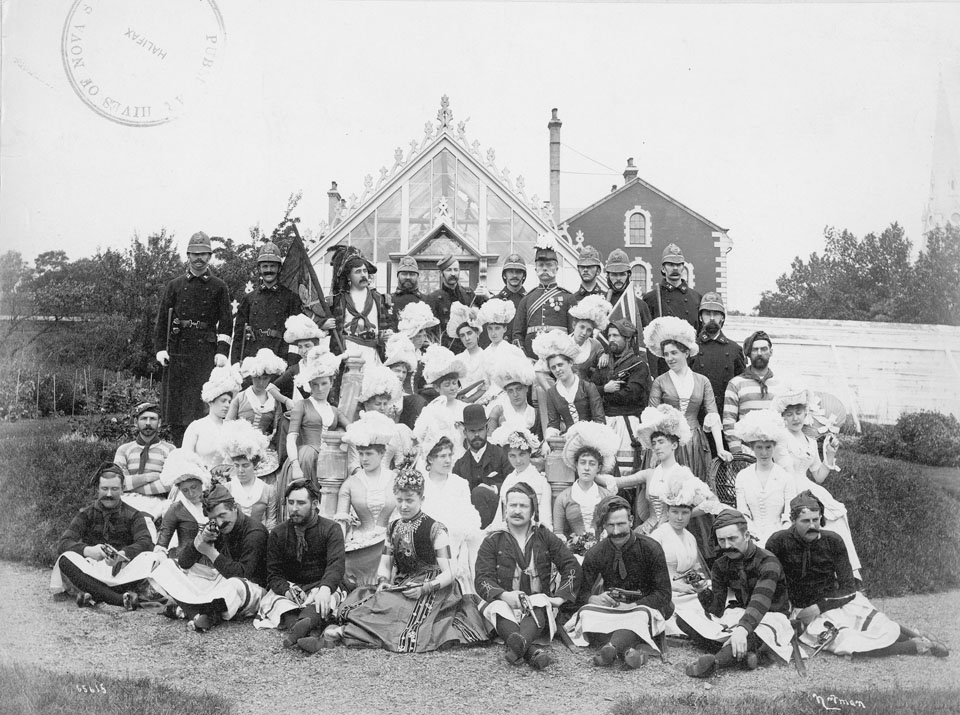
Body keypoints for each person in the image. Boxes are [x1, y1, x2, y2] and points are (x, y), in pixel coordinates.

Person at [767, 492, 949, 659]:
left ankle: (917, 636)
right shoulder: (778, 542)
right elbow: (772, 583)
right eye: (805, 521)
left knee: (878, 623)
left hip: (835, 601)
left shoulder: (833, 540)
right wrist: (787, 614)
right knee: (848, 641)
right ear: (793, 520)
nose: (813, 526)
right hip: (802, 610)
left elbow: (848, 588)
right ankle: (913, 646)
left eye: (816, 519)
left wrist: (819, 607)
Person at [337, 461, 490, 652]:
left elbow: (450, 572)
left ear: (422, 499)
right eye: (399, 500)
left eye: (409, 500)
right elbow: (386, 561)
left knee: (397, 608)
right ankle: (351, 629)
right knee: (366, 598)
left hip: (435, 587)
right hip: (404, 582)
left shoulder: (436, 529)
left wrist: (425, 588)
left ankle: (349, 632)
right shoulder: (393, 527)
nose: (403, 506)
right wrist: (384, 580)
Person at [476, 483, 581, 670]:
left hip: (536, 607)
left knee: (539, 601)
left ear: (533, 509)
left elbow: (571, 565)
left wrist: (559, 598)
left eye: (523, 506)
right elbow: (482, 578)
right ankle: (531, 651)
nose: (517, 511)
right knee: (497, 607)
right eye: (512, 505)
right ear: (505, 508)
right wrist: (504, 595)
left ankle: (520, 644)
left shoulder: (544, 536)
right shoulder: (493, 539)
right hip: (507, 604)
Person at [566, 495, 673, 668]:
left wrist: (632, 606)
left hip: (645, 606)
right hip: (612, 608)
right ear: (604, 526)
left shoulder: (651, 548)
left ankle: (611, 648)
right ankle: (630, 651)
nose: (616, 531)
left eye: (621, 524)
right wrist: (592, 599)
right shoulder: (596, 553)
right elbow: (580, 591)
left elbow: (664, 594)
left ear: (631, 520)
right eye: (610, 525)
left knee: (638, 618)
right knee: (586, 614)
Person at [684, 509, 793, 677]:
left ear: (747, 535)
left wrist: (742, 630)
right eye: (722, 540)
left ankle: (715, 662)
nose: (727, 545)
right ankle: (747, 656)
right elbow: (717, 608)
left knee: (756, 632)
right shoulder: (720, 565)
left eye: (732, 538)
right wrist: (702, 591)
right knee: (685, 619)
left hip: (772, 615)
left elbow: (760, 601)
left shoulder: (767, 561)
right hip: (742, 612)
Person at [147, 483, 268, 632]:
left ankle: (197, 612)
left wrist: (210, 552)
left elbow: (243, 574)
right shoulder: (215, 525)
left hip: (251, 588)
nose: (219, 522)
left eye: (222, 515)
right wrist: (199, 541)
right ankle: (199, 612)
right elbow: (185, 563)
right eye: (213, 518)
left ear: (234, 507)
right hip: (221, 581)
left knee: (234, 585)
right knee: (168, 566)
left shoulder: (254, 532)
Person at [773, 386, 862, 579]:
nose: (795, 418)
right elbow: (785, 473)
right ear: (784, 417)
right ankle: (821, 575)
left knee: (836, 517)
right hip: (787, 487)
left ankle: (847, 574)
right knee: (815, 518)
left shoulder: (811, 441)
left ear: (806, 413)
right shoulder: (781, 439)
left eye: (799, 413)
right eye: (790, 414)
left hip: (807, 485)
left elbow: (818, 476)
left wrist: (829, 454)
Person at [154, 231, 233, 445]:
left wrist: (221, 351)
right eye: (195, 254)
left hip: (204, 353)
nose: (199, 258)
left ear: (210, 257)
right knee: (177, 408)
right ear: (188, 256)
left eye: (204, 254)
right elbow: (162, 320)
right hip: (178, 350)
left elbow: (226, 322)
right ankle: (180, 448)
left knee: (201, 403)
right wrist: (161, 349)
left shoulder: (219, 286)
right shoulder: (175, 285)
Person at [254, 481, 346, 653]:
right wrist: (288, 590)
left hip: (321, 584)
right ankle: (310, 631)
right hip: (293, 588)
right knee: (279, 602)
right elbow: (273, 574)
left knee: (327, 600)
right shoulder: (278, 533)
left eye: (301, 503)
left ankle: (300, 628)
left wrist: (324, 589)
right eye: (291, 502)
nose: (294, 508)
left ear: (315, 504)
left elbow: (336, 566)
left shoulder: (331, 529)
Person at [51, 463, 158, 610]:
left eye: (114, 489)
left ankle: (93, 594)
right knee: (65, 559)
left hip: (122, 571)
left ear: (122, 489)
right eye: (104, 489)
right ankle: (118, 599)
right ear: (98, 489)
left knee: (150, 558)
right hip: (92, 570)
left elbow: (146, 542)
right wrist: (89, 551)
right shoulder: (86, 514)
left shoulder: (134, 515)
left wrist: (122, 555)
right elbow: (64, 543)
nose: (109, 494)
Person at [643, 317, 731, 482]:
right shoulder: (660, 381)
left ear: (686, 352)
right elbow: (652, 418)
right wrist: (655, 450)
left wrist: (720, 448)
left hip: (694, 443)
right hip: (666, 443)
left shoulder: (702, 381)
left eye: (674, 353)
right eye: (666, 354)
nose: (670, 358)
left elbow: (712, 415)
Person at [628, 405, 723, 556]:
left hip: (672, 534)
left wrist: (683, 515)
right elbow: (619, 481)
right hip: (648, 531)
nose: (657, 447)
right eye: (654, 444)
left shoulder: (683, 474)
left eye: (661, 442)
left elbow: (712, 502)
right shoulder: (650, 473)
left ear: (674, 445)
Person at [412, 416, 483, 594]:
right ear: (429, 459)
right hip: (424, 551)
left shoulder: (459, 484)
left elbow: (467, 520)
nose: (447, 460)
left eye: (450, 455)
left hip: (454, 548)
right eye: (442, 456)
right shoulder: (421, 485)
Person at [336, 411, 401, 585]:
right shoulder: (350, 484)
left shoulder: (396, 480)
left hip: (391, 546)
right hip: (360, 548)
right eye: (361, 453)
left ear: (381, 454)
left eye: (369, 454)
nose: (364, 459)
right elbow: (341, 524)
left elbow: (405, 517)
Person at [279, 347, 348, 501]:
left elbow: (352, 430)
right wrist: (295, 465)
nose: (320, 388)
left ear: (331, 382)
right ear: (309, 384)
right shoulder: (302, 405)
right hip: (306, 458)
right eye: (315, 384)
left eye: (324, 383)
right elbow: (291, 438)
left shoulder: (335, 410)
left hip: (329, 459)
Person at [649, 480, 716, 639]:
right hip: (666, 590)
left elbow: (693, 569)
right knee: (685, 607)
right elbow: (648, 573)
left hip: (687, 589)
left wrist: (699, 582)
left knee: (711, 589)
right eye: (675, 512)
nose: (679, 517)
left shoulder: (690, 537)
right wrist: (677, 588)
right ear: (668, 511)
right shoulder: (658, 535)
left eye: (685, 513)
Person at [588, 319, 651, 476]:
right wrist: (605, 389)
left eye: (616, 336)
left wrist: (602, 395)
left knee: (627, 473)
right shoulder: (603, 364)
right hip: (605, 424)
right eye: (609, 335)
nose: (611, 339)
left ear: (628, 339)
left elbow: (631, 395)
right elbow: (588, 390)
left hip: (628, 424)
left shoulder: (639, 366)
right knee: (604, 471)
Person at [267, 315, 328, 465]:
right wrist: (286, 401)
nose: (303, 350)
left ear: (316, 345)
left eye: (307, 346)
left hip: (320, 420)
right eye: (300, 347)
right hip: (298, 421)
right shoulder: (295, 368)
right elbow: (271, 388)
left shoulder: (326, 367)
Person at [230, 241, 302, 364]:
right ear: (259, 269)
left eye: (273, 266)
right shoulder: (249, 299)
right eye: (265, 266)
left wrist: (292, 363)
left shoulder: (291, 298)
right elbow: (238, 335)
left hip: (280, 356)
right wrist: (236, 364)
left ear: (279, 268)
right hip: (253, 356)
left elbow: (296, 335)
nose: (269, 270)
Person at [732, 410, 795, 546]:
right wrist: (753, 535)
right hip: (750, 536)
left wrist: (781, 537)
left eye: (768, 447)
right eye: (759, 447)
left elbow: (789, 515)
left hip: (780, 538)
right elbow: (743, 512)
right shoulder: (743, 476)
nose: (764, 452)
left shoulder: (785, 477)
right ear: (752, 447)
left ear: (774, 446)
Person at [329, 244, 394, 365]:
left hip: (373, 352)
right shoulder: (339, 300)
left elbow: (388, 325)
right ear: (348, 276)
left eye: (365, 271)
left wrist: (386, 334)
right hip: (349, 351)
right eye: (358, 272)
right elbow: (328, 327)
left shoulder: (378, 298)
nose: (363, 275)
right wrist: (324, 323)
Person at [553, 422, 619, 540]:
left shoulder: (606, 496)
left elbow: (614, 529)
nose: (587, 468)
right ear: (576, 465)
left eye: (592, 464)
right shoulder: (563, 498)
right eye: (583, 463)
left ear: (598, 468)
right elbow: (558, 532)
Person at [511, 236, 573, 358]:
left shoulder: (568, 298)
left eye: (549, 265)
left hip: (559, 356)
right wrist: (524, 357)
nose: (544, 268)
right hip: (531, 356)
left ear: (556, 268)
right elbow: (517, 334)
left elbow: (573, 333)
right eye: (541, 265)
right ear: (535, 268)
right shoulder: (527, 299)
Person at [113, 402, 176, 522]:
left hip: (158, 501)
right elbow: (119, 483)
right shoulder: (124, 450)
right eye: (143, 418)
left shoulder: (170, 450)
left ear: (159, 423)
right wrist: (151, 476)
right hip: (127, 499)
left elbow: (170, 484)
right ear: (136, 422)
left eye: (152, 419)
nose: (148, 423)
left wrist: (133, 485)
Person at [535, 331, 605, 437]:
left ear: (570, 363)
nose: (557, 370)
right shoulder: (552, 392)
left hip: (592, 437)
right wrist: (549, 438)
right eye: (553, 367)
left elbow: (600, 420)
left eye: (560, 364)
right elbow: (554, 423)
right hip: (567, 440)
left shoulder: (588, 387)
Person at [453, 405, 513, 529]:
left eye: (480, 430)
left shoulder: (500, 454)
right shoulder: (460, 465)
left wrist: (494, 488)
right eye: (472, 431)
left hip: (499, 515)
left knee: (479, 492)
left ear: (487, 428)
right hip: (469, 521)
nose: (477, 435)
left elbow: (514, 483)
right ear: (465, 432)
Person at [722, 330, 782, 454]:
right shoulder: (736, 383)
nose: (759, 353)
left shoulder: (780, 383)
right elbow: (729, 421)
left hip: (776, 453)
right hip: (747, 451)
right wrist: (737, 452)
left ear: (771, 352)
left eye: (764, 349)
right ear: (748, 354)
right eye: (755, 350)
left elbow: (785, 420)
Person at [345, 361, 409, 473]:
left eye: (385, 404)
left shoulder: (393, 428)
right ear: (367, 405)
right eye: (378, 404)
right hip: (364, 480)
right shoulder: (358, 428)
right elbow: (353, 464)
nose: (382, 408)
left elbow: (400, 461)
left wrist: (396, 472)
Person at [487, 425, 553, 531]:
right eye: (512, 456)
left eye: (522, 454)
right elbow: (499, 517)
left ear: (529, 453)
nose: (518, 461)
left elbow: (545, 521)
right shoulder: (508, 480)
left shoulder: (541, 482)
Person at [690, 292, 745, 418]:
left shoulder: (734, 350)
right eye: (707, 314)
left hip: (726, 414)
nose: (712, 318)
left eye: (716, 313)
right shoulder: (690, 348)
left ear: (723, 318)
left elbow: (741, 385)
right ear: (700, 318)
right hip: (698, 416)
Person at [181, 365, 243, 470]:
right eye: (223, 401)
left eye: (229, 401)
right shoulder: (196, 426)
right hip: (200, 478)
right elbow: (186, 455)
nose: (227, 405)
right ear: (211, 401)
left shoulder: (231, 427)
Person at [220, 420, 278, 531]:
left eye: (245, 465)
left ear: (254, 465)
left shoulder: (268, 490)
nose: (240, 470)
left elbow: (271, 522)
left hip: (258, 540)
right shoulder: (226, 488)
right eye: (237, 466)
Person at [426, 253, 488, 354]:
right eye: (448, 270)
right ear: (442, 273)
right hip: (446, 351)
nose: (453, 273)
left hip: (469, 350)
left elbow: (486, 315)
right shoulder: (433, 298)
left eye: (456, 270)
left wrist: (486, 295)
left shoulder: (469, 294)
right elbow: (431, 332)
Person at [604, 249, 653, 362]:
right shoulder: (601, 303)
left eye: (622, 274)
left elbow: (648, 343)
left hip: (633, 364)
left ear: (629, 275)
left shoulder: (640, 306)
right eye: (614, 274)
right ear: (608, 276)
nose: (618, 278)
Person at [641, 243, 702, 330]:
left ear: (683, 268)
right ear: (663, 268)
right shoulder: (651, 298)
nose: (675, 268)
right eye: (671, 264)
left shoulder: (696, 298)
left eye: (678, 264)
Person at [484, 345, 540, 437]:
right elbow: (490, 439)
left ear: (526, 388)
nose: (515, 394)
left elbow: (539, 440)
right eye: (510, 391)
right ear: (506, 391)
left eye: (519, 389)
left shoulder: (535, 413)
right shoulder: (498, 411)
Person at [228, 348, 287, 436]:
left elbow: (277, 430)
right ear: (252, 377)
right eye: (258, 378)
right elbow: (228, 425)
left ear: (270, 378)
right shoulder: (240, 398)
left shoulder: (274, 401)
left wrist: (270, 438)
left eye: (265, 378)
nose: (261, 383)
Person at [155, 471, 209, 558]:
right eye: (185, 490)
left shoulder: (214, 503)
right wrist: (160, 554)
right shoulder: (175, 509)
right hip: (184, 560)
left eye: (194, 487)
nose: (191, 494)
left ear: (201, 483)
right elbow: (162, 542)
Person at [419, 344, 468, 436]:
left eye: (454, 383)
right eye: (447, 385)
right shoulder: (430, 410)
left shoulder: (465, 408)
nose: (453, 388)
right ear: (437, 388)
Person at [396, 301, 441, 400]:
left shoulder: (421, 354)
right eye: (418, 336)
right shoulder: (402, 353)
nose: (422, 340)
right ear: (411, 336)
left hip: (417, 396)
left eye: (424, 336)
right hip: (402, 397)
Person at [383, 333, 426, 429]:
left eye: (404, 372)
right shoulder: (381, 388)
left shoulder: (402, 395)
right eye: (397, 371)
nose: (401, 375)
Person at [447, 302, 487, 403]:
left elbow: (488, 385)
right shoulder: (457, 359)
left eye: (469, 333)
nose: (467, 338)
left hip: (484, 401)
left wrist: (471, 399)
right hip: (461, 402)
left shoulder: (487, 356)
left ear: (477, 333)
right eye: (462, 335)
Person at [568, 294, 612, 376]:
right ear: (574, 325)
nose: (584, 333)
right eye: (582, 327)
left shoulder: (595, 345)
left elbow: (602, 354)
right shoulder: (561, 342)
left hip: (586, 387)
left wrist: (604, 356)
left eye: (589, 330)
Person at [494, 253, 527, 340]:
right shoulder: (494, 302)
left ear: (523, 276)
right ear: (504, 275)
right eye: (510, 272)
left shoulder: (530, 301)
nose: (514, 275)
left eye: (518, 272)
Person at [567, 245, 605, 313]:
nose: (585, 270)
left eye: (590, 266)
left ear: (598, 270)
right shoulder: (571, 299)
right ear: (578, 269)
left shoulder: (606, 297)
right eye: (582, 267)